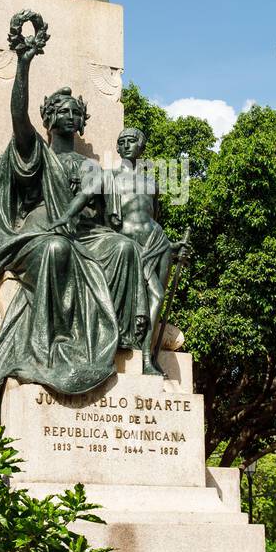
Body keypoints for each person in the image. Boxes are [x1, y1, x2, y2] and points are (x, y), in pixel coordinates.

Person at [0, 11, 148, 440]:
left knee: (124, 249)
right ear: (48, 119)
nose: (70, 117)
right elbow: (18, 117)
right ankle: (55, 345)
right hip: (36, 236)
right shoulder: (36, 155)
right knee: (57, 249)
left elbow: (106, 219)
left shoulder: (90, 166)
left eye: (76, 112)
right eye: (61, 111)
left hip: (81, 238)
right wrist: (23, 62)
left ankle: (128, 342)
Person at [106, 127, 189, 375]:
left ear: (141, 147)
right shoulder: (108, 178)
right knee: (141, 296)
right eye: (123, 141)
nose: (128, 145)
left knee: (158, 297)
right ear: (118, 147)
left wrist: (174, 247)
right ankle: (115, 350)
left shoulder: (151, 184)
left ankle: (146, 359)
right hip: (127, 245)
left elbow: (151, 216)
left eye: (133, 141)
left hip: (157, 242)